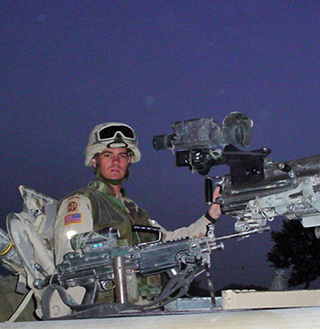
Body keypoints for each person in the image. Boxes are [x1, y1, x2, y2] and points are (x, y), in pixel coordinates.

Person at [53, 122, 221, 302]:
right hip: (104, 311)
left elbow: (169, 242)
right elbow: (70, 265)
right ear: (94, 161)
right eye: (107, 155)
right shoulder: (81, 203)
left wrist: (211, 216)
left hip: (144, 306)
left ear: (129, 161)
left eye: (122, 156)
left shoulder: (133, 211)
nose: (116, 162)